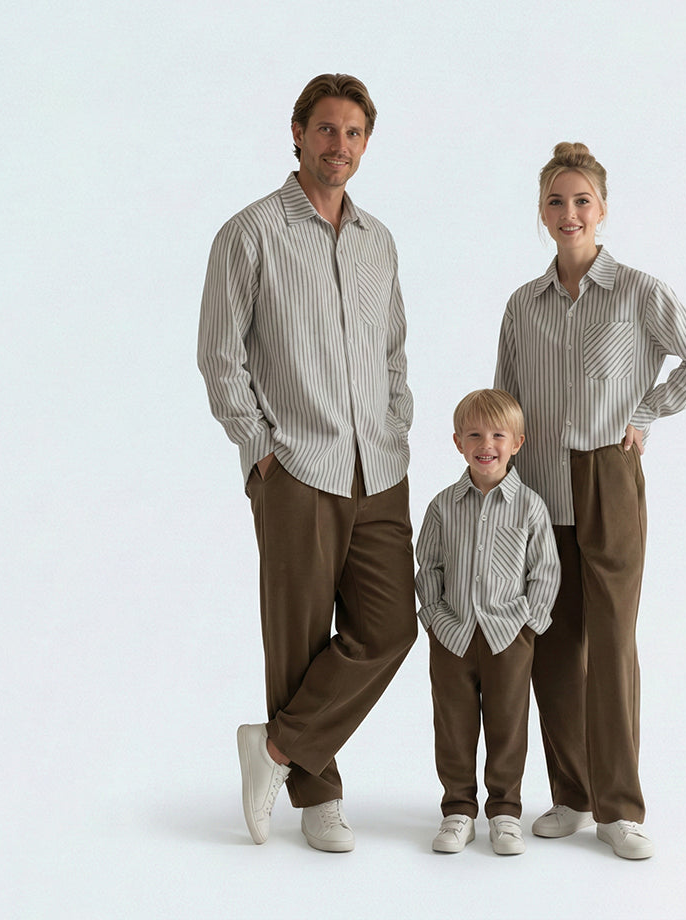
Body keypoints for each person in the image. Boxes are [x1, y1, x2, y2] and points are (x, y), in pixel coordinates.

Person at [197, 73, 417, 853]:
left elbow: (392, 349)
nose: (339, 145)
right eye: (326, 129)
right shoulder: (250, 233)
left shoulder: (377, 241)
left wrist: (396, 422)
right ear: (297, 133)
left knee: (391, 627)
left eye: (353, 133)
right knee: (297, 636)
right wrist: (260, 450)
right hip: (295, 462)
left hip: (379, 465)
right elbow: (220, 354)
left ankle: (278, 750)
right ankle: (319, 797)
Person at [494, 142, 686, 860]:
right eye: (556, 201)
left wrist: (647, 411)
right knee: (552, 647)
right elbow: (505, 399)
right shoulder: (523, 305)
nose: (569, 213)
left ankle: (620, 808)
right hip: (538, 484)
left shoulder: (638, 292)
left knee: (614, 645)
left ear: (601, 209)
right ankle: (572, 794)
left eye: (582, 201)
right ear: (542, 212)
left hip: (608, 477)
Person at [414, 389, 560, 856]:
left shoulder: (530, 506)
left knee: (508, 725)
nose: (486, 444)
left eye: (498, 435)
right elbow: (428, 566)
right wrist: (433, 617)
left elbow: (545, 570)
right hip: (452, 634)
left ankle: (505, 812)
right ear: (458, 442)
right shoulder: (442, 505)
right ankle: (458, 810)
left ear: (518, 443)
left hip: (509, 636)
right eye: (474, 435)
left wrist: (529, 624)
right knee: (452, 725)